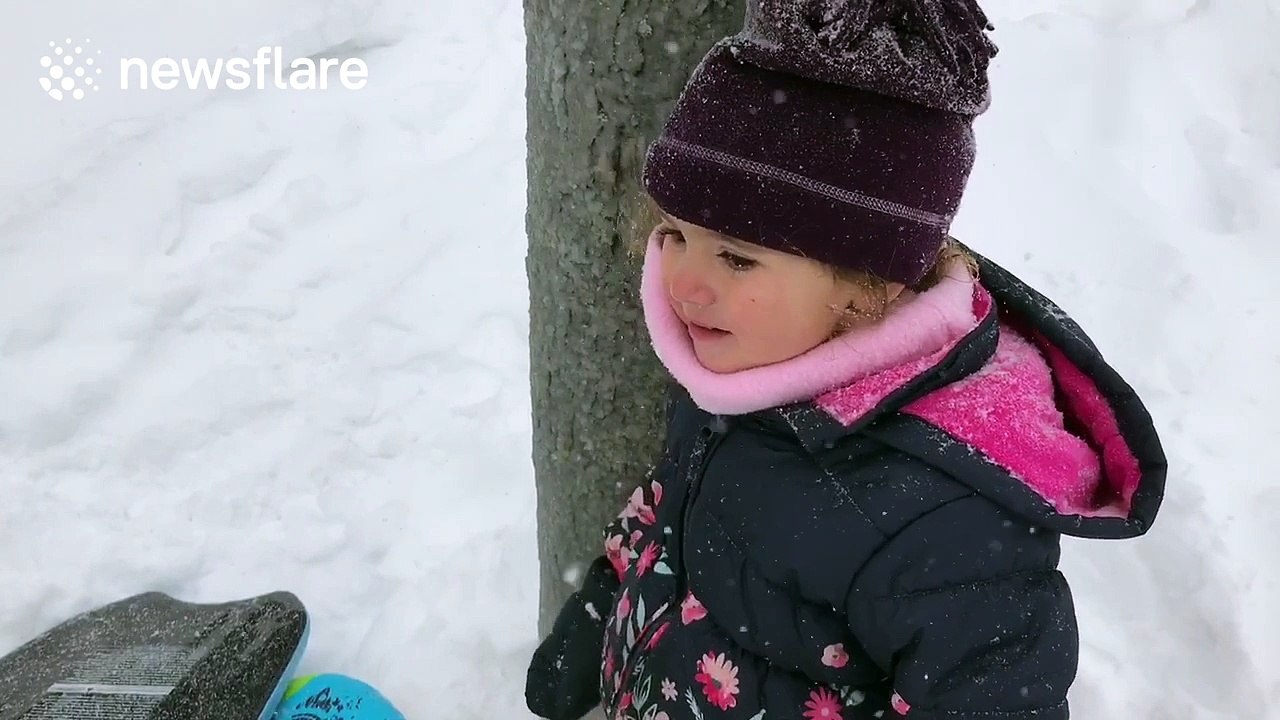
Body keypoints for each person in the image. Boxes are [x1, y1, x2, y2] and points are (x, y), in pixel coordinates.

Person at [525, 1, 1166, 718]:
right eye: (674, 233)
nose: (686, 283)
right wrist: (598, 620)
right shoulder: (747, 369)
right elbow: (664, 513)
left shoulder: (941, 520)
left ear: (873, 283)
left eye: (737, 257)